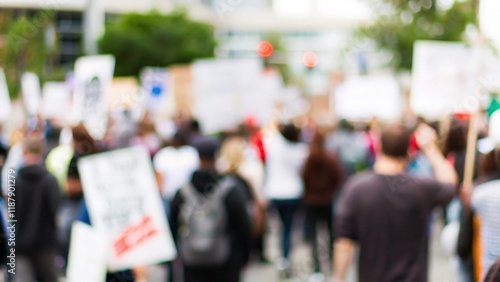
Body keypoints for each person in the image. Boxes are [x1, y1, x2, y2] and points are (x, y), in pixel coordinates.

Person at [334, 123, 458, 282]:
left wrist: (339, 278)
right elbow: (450, 182)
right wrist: (430, 148)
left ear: (378, 147)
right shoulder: (421, 188)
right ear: (409, 151)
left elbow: (344, 242)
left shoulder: (356, 188)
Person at [169, 137, 252, 282]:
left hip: (192, 261)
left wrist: (176, 254)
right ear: (217, 156)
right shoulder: (231, 190)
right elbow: (243, 226)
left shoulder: (183, 192)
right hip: (226, 260)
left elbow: (173, 225)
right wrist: (245, 256)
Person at [14, 137, 61, 282]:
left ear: (25, 153)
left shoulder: (17, 180)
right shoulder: (49, 180)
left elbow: (12, 213)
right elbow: (55, 210)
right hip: (45, 242)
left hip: (21, 242)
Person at [264, 123, 308, 274]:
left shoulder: (274, 146)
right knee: (288, 228)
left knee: (281, 228)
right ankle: (285, 256)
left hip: (275, 192)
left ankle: (283, 257)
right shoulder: (300, 151)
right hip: (292, 193)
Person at [301, 130, 342, 281]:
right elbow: (338, 178)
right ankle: (331, 264)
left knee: (313, 236)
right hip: (327, 201)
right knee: (330, 234)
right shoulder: (330, 159)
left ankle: (316, 269)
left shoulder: (309, 160)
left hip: (311, 202)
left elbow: (303, 178)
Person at [153, 132, 200, 213]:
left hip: (175, 196)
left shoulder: (162, 154)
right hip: (186, 196)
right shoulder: (191, 152)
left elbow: (159, 181)